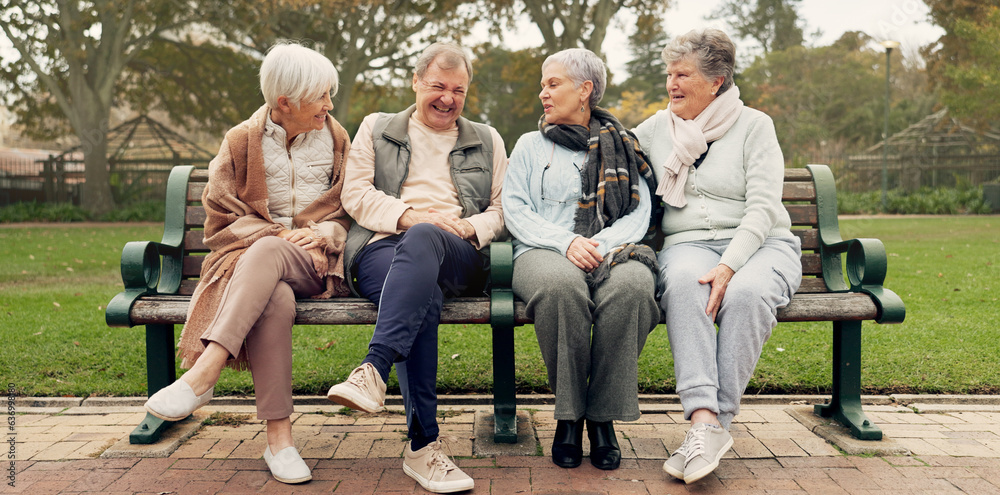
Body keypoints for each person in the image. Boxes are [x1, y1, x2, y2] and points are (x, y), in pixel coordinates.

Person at [142, 42, 352, 485]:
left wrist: (323, 234)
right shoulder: (241, 141)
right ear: (285, 102)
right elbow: (220, 214)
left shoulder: (336, 138)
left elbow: (350, 207)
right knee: (273, 297)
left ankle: (204, 372)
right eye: (321, 96)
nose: (329, 105)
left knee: (269, 252)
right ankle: (280, 440)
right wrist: (275, 233)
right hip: (254, 269)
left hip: (315, 266)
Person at [325, 42, 507, 494]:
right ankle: (423, 448)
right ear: (415, 82)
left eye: (459, 90)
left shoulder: (487, 139)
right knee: (419, 291)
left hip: (458, 252)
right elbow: (356, 194)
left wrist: (463, 227)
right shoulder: (377, 128)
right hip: (381, 247)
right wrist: (413, 216)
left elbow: (504, 211)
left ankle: (373, 368)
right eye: (438, 87)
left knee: (426, 241)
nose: (448, 98)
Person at [633, 28, 803, 484]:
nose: (671, 83)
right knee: (688, 283)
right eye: (669, 73)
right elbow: (610, 145)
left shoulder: (755, 125)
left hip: (762, 244)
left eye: (683, 74)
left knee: (745, 294)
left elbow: (765, 207)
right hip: (687, 245)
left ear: (717, 81)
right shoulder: (657, 128)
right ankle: (703, 418)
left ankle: (712, 426)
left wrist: (729, 265)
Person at [502, 48, 660, 471]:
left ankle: (602, 416)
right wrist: (565, 242)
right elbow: (515, 209)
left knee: (634, 288)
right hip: (540, 251)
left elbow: (639, 210)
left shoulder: (623, 146)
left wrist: (599, 245)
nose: (543, 94)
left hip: (610, 249)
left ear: (584, 90)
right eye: (543, 85)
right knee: (560, 288)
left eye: (552, 84)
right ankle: (569, 416)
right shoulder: (529, 146)